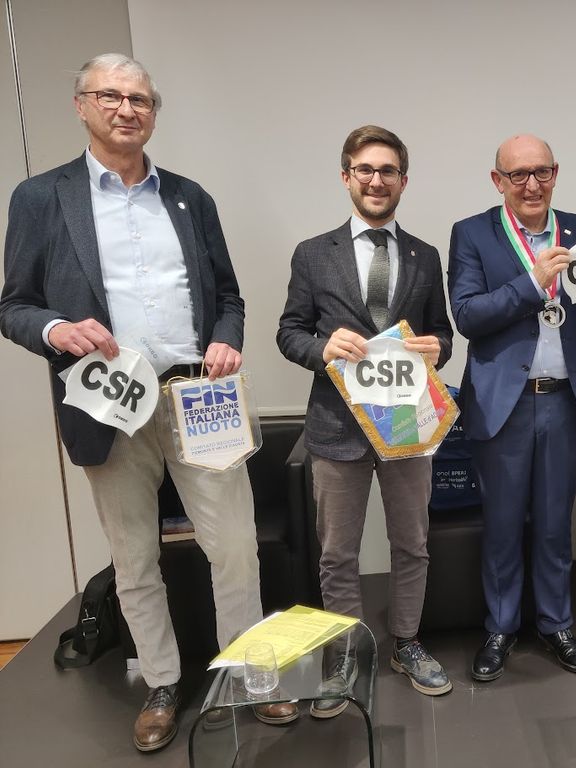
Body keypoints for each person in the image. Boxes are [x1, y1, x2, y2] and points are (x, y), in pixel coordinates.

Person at [0, 53, 296, 752]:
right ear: (81, 105)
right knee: (134, 557)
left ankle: (249, 674)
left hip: (198, 397)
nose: (126, 109)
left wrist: (225, 338)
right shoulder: (42, 197)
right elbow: (13, 306)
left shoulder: (190, 198)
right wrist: (56, 330)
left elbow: (228, 296)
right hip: (108, 405)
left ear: (153, 112)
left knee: (236, 547)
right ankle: (162, 683)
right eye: (110, 96)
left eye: (139, 99)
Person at [448, 134, 576, 681]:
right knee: (502, 524)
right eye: (518, 174)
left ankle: (556, 625)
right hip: (503, 404)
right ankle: (499, 628)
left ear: (555, 174)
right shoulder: (472, 233)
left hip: (564, 401)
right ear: (498, 181)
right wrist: (533, 282)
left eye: (542, 172)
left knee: (555, 524)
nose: (532, 184)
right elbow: (467, 315)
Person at [277, 125, 454, 707]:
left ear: (403, 180)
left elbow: (443, 335)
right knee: (337, 554)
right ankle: (346, 652)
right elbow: (289, 332)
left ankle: (407, 642)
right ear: (346, 177)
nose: (377, 181)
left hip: (406, 424)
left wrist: (436, 347)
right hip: (337, 427)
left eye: (388, 171)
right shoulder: (312, 254)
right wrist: (321, 348)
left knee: (413, 544)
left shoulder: (425, 255)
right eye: (366, 170)